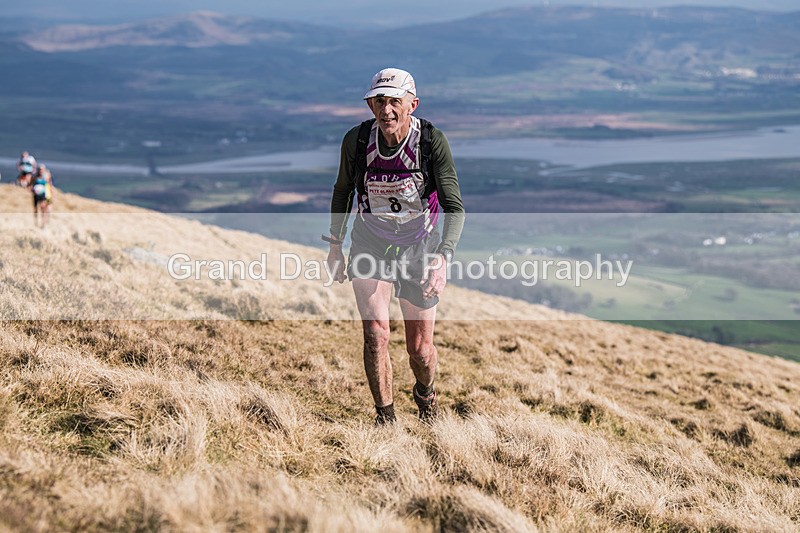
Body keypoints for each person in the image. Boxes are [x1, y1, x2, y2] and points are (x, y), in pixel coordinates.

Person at [326, 68, 465, 425]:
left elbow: (454, 206)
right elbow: (343, 191)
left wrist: (443, 258)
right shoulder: (357, 140)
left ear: (412, 105)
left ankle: (425, 393)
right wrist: (336, 245)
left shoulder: (430, 141)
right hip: (370, 242)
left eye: (394, 102)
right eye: (378, 101)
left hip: (420, 246)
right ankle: (385, 420)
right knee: (375, 335)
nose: (385, 110)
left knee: (419, 351)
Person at [32, 163, 53, 228]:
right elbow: (31, 185)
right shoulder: (35, 177)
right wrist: (33, 190)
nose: (41, 171)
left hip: (43, 194)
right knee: (35, 209)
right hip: (36, 195)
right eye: (40, 169)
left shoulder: (46, 177)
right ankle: (36, 222)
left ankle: (43, 222)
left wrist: (50, 192)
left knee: (43, 207)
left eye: (42, 169)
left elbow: (49, 185)